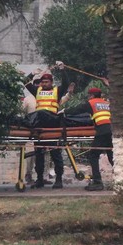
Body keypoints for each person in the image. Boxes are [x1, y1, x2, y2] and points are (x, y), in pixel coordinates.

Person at [25, 61, 70, 189]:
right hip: (40, 127)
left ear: (51, 83)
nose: (44, 84)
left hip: (52, 125)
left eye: (47, 82)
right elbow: (25, 82)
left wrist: (62, 69)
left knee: (55, 154)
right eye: (43, 82)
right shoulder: (37, 90)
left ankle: (59, 179)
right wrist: (33, 74)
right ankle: (39, 179)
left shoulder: (57, 91)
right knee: (39, 154)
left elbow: (66, 84)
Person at [62, 87, 113, 191]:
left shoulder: (92, 103)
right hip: (111, 130)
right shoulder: (106, 103)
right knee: (111, 155)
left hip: (102, 131)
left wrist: (64, 111)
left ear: (92, 96)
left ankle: (98, 182)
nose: (88, 98)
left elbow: (77, 109)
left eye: (89, 96)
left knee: (93, 155)